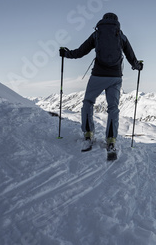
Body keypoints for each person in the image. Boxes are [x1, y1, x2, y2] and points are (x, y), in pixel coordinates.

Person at [59, 12, 143, 155]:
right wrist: (137, 66)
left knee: (88, 102)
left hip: (98, 75)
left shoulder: (96, 34)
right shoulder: (121, 35)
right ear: (117, 22)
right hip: (115, 77)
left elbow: (80, 52)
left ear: (103, 21)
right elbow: (131, 57)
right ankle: (111, 139)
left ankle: (88, 133)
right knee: (113, 108)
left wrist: (66, 53)